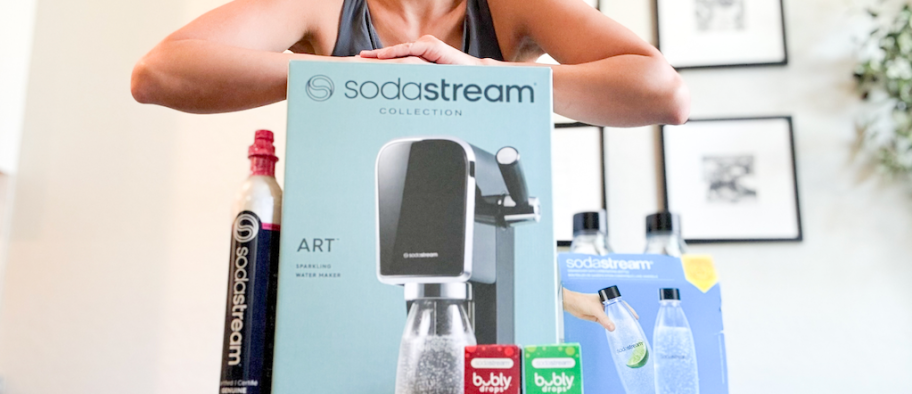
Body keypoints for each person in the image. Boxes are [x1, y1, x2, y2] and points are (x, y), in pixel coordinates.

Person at [130, 0, 690, 126]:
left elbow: (662, 93)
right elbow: (158, 73)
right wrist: (347, 77)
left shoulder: (512, 5)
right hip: (339, 255)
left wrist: (480, 77)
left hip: (487, 249)